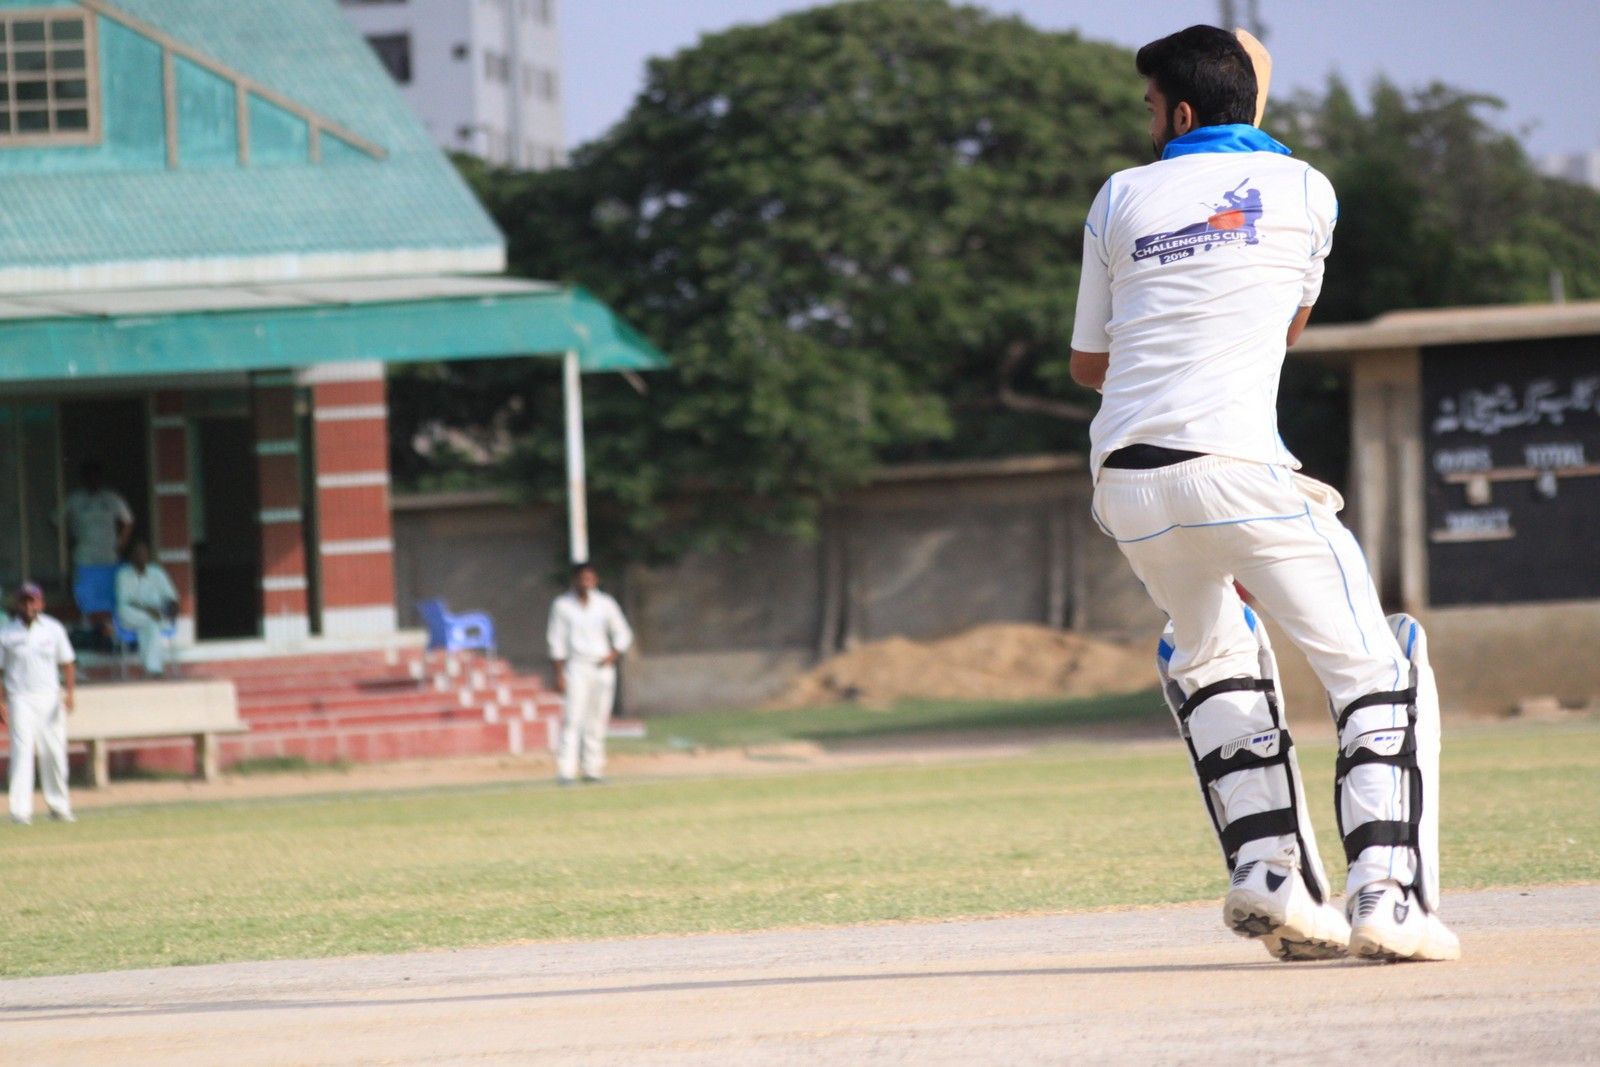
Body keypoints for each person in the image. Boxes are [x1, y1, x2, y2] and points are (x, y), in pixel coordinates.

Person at [1069, 25, 1458, 962]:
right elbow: (1284, 326)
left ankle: (1270, 873)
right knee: (1379, 668)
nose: (1147, 125)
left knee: (1210, 657)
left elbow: (1089, 365)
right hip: (1241, 473)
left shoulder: (1118, 196)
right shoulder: (1309, 190)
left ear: (1180, 115)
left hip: (1127, 483)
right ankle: (1387, 896)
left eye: (1151, 109)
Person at [546, 561, 634, 786]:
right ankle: (566, 771)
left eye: (590, 578)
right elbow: (556, 640)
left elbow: (623, 632)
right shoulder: (563, 605)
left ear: (596, 580)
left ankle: (592, 769)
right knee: (573, 719)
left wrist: (613, 654)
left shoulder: (605, 603)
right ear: (575, 580)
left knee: (597, 719)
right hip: (576, 666)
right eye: (583, 578)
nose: (587, 582)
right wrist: (559, 673)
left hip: (602, 666)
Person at [1, 583, 77, 825]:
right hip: (19, 698)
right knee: (22, 752)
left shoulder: (53, 629)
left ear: (41, 603)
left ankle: (59, 807)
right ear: (17, 604)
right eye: (24, 601)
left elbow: (67, 663)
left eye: (32, 601)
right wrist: (1, 701)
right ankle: (20, 811)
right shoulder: (6, 634)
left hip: (49, 697)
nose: (28, 606)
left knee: (53, 752)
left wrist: (70, 694)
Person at [63, 459, 134, 637]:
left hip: (108, 556)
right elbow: (56, 521)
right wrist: (68, 542)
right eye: (89, 476)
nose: (92, 480)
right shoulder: (75, 499)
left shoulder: (112, 498)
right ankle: (87, 627)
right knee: (84, 593)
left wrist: (120, 544)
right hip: (84, 556)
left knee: (110, 592)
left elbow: (128, 522)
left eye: (96, 476)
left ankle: (112, 630)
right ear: (84, 478)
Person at [115, 541, 179, 677]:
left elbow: (171, 597)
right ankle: (153, 669)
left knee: (151, 625)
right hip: (132, 615)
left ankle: (151, 670)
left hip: (155, 615)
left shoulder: (157, 573)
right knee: (129, 612)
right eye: (137, 554)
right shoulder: (123, 574)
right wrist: (149, 610)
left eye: (143, 553)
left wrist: (173, 609)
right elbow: (128, 601)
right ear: (131, 557)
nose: (141, 557)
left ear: (148, 556)